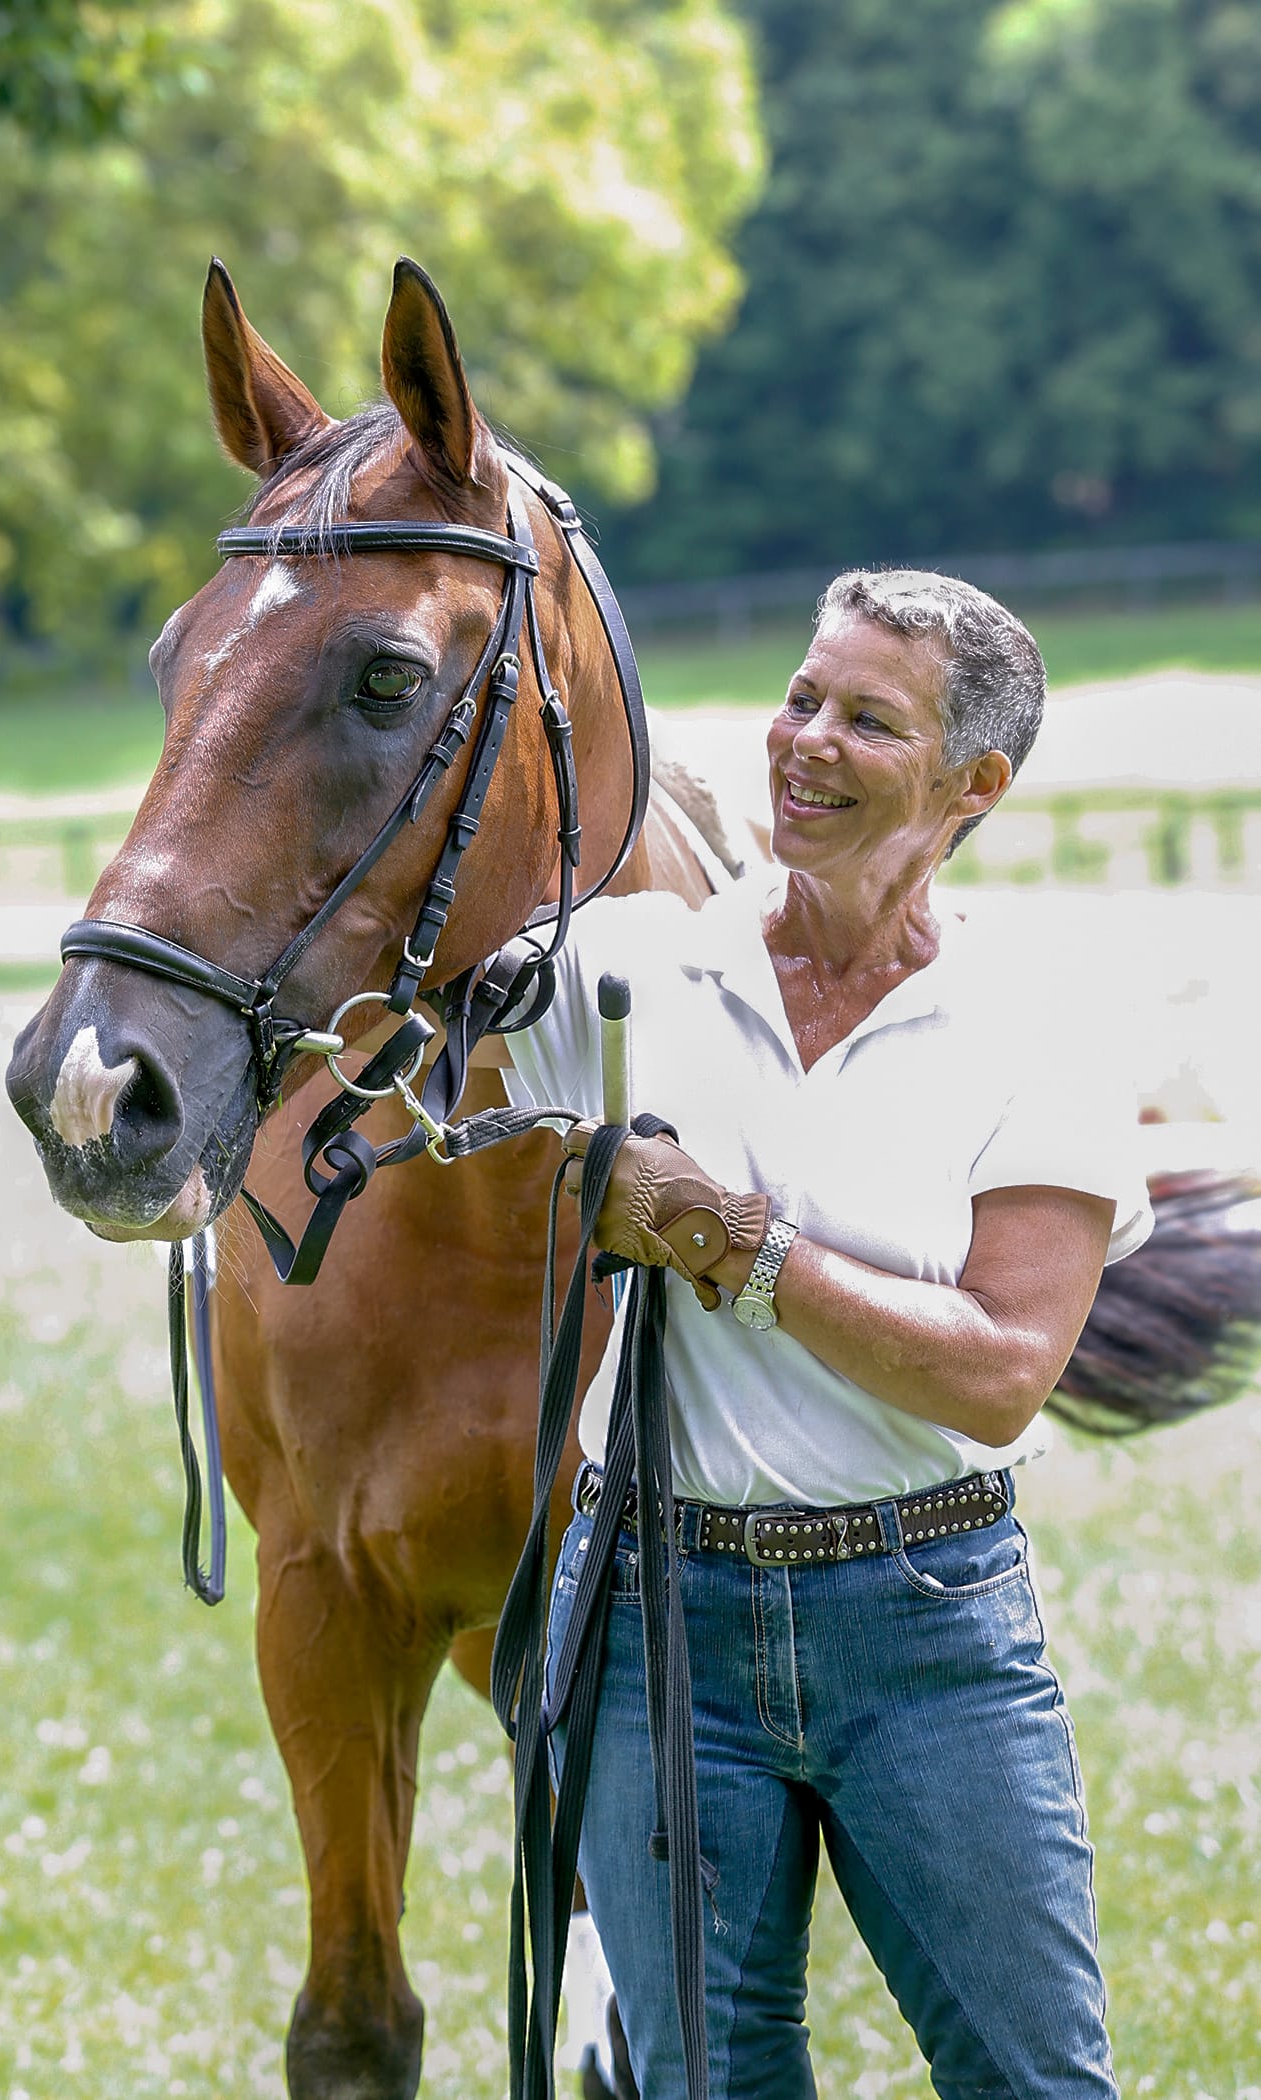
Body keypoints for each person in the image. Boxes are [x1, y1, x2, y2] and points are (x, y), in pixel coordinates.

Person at [503, 569, 1152, 2099]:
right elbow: (379, 972)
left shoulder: (1037, 1019)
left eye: (869, 719)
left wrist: (733, 1241)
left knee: (1032, 2079)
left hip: (922, 1624)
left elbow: (1001, 1371)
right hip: (652, 1614)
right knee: (710, 2079)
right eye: (803, 697)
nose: (807, 740)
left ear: (973, 785)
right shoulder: (630, 970)